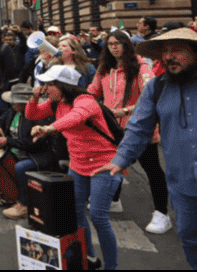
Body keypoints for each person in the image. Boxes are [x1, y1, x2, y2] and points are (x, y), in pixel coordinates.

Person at [93, 27, 197, 269]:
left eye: (177, 50)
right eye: (165, 51)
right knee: (191, 238)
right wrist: (120, 159)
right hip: (184, 184)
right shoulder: (157, 88)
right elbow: (138, 128)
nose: (169, 56)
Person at [28, 65, 120, 270]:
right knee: (76, 213)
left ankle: (112, 267)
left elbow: (75, 117)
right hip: (77, 163)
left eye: (50, 84)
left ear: (64, 86)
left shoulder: (85, 100)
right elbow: (32, 115)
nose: (46, 87)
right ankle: (88, 258)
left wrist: (50, 128)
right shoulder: (55, 103)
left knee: (98, 216)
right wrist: (34, 97)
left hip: (104, 164)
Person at [87, 30, 168, 225]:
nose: (114, 47)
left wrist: (127, 110)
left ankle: (162, 213)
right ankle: (114, 200)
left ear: (127, 45)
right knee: (113, 165)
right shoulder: (104, 68)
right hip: (112, 129)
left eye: (118, 43)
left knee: (152, 169)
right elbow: (92, 92)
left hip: (139, 129)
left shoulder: (140, 67)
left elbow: (151, 95)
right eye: (110, 43)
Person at [0, 83, 58, 219]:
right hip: (17, 149)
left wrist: (8, 141)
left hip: (37, 154)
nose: (12, 104)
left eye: (15, 102)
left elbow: (33, 144)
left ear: (23, 103)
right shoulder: (14, 110)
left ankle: (24, 204)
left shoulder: (38, 117)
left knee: (19, 167)